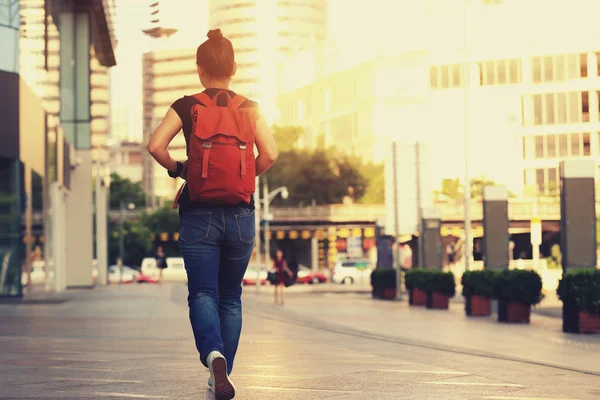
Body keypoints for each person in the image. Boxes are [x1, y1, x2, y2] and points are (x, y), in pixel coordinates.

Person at [147, 29, 278, 400]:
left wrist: (180, 169)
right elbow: (270, 154)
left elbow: (156, 146)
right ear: (233, 68)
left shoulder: (188, 105)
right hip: (240, 215)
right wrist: (245, 175)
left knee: (202, 292)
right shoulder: (251, 108)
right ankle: (222, 372)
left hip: (199, 213)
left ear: (200, 70)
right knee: (231, 297)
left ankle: (213, 357)